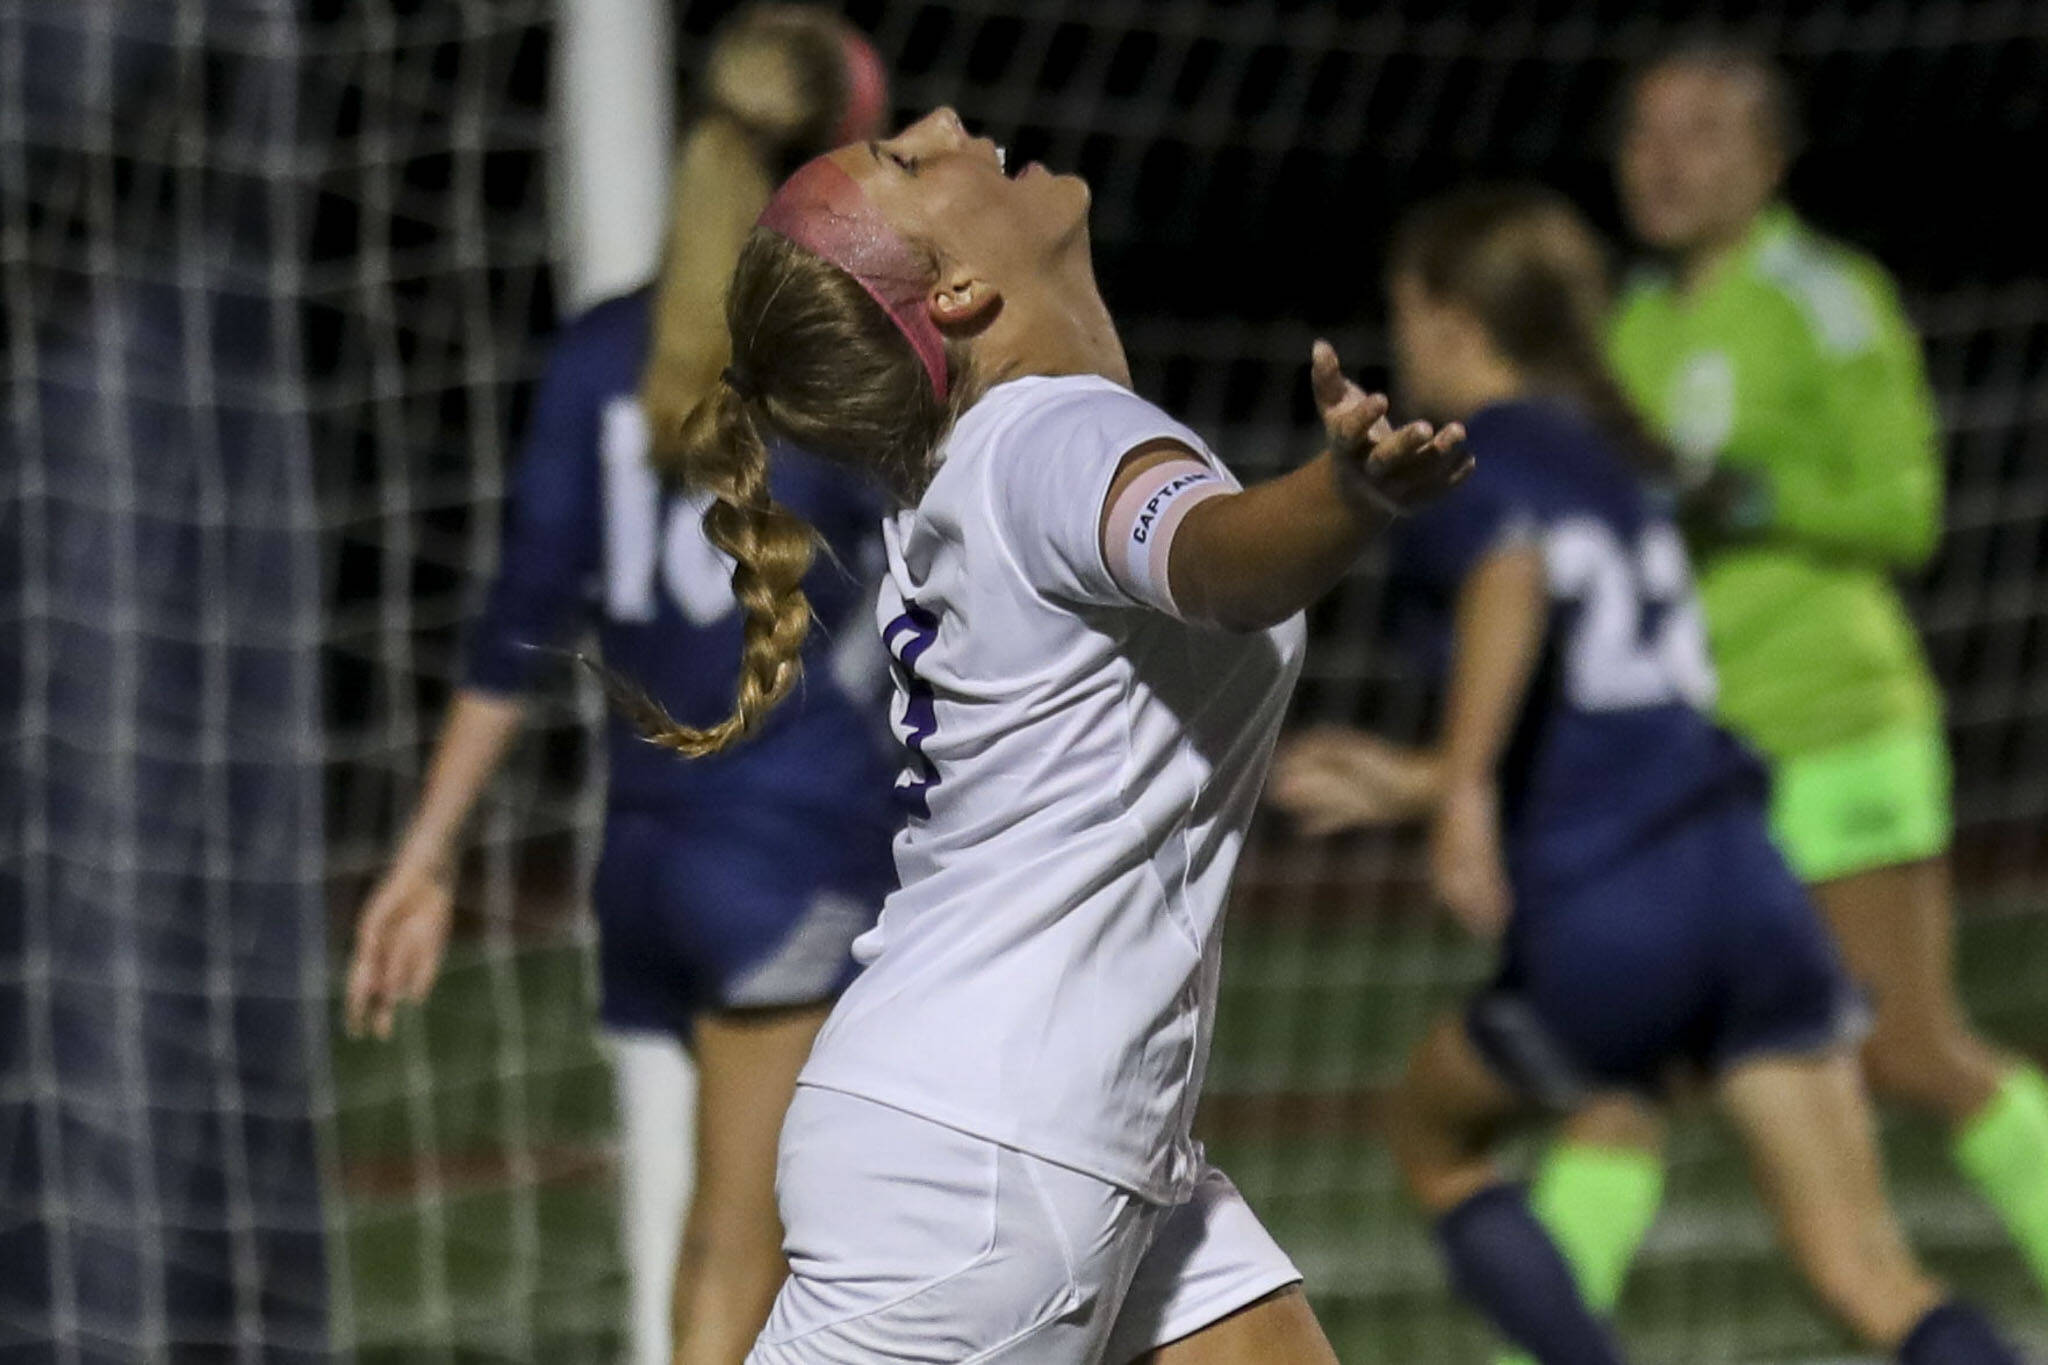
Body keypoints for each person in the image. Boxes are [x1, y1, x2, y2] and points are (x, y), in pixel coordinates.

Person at [624, 106, 1470, 1363]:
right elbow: (1219, 565)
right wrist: (1342, 495)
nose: (942, 122)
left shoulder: (977, 461)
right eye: (908, 163)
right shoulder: (1051, 437)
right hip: (983, 1162)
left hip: (1040, 1127)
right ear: (958, 291)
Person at [1268, 186, 2027, 1365]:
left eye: (1405, 312)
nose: (1401, 339)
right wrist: (1432, 781)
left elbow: (1510, 574)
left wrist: (1455, 787)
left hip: (1613, 901)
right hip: (1745, 879)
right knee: (1864, 1273)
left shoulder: (1464, 460)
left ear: (1456, 322)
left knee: (1431, 1134)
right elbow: (1596, 685)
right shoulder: (1614, 460)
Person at [342, 10, 897, 1365]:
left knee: (732, 1233)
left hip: (650, 851)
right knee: (784, 1242)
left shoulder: (599, 353)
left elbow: (518, 619)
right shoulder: (838, 361)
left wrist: (426, 855)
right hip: (793, 843)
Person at [1483, 41, 2048, 1348]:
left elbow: (1905, 511)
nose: (1662, 160)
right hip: (1682, 763)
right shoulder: (1626, 320)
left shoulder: (1827, 298)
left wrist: (1742, 494)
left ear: (1772, 158)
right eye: (1643, 133)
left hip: (1833, 731)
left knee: (1911, 1051)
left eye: (1700, 132)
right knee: (1618, 1077)